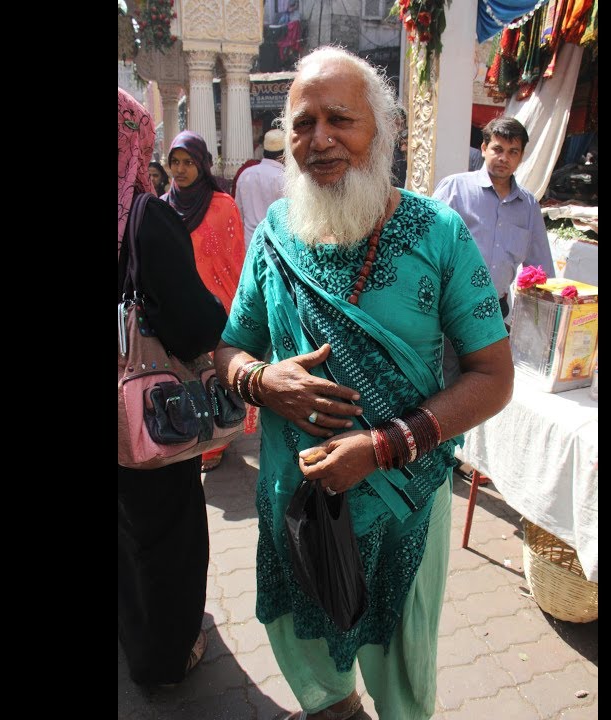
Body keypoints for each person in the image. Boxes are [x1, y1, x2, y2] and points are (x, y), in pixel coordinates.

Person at [214, 47, 514, 720]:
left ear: (382, 130)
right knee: (310, 659)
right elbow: (229, 349)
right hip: (297, 501)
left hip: (403, 508)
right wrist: (262, 381)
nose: (318, 140)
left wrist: (381, 447)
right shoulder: (272, 236)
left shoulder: (437, 233)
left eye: (340, 120)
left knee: (403, 678)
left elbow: (494, 377)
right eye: (302, 123)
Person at [118, 88, 225, 688]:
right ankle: (163, 656)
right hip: (142, 412)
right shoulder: (145, 215)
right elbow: (191, 323)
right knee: (164, 535)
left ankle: (134, 631)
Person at [162, 130, 250, 472]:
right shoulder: (163, 205)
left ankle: (216, 441)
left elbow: (235, 259)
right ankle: (194, 432)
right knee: (185, 375)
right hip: (178, 308)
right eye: (175, 162)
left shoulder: (221, 205)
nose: (180, 170)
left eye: (189, 162)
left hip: (216, 307)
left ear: (203, 165)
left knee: (214, 376)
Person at [433, 116, 554, 323]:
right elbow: (428, 244)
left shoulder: (529, 206)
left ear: (521, 156)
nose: (504, 158)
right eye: (497, 149)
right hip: (448, 310)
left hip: (496, 314)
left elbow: (541, 269)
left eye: (512, 152)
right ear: (483, 148)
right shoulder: (454, 189)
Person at [234, 128, 287, 248]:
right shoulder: (283, 178)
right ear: (284, 154)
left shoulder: (246, 174)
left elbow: (238, 214)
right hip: (276, 246)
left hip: (250, 244)